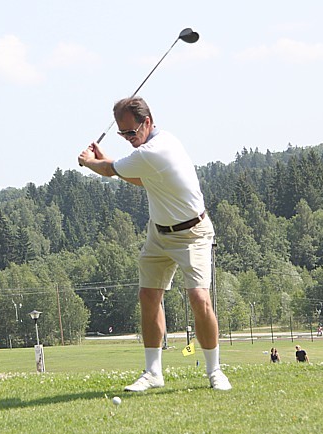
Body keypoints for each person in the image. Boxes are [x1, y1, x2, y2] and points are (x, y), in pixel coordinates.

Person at [78, 96, 231, 392]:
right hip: (158, 234)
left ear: (147, 122)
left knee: (200, 300)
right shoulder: (146, 151)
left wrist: (89, 162)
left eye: (132, 133)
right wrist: (102, 160)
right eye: (123, 135)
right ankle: (153, 373)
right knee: (148, 297)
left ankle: (215, 372)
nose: (129, 140)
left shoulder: (158, 148)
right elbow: (141, 178)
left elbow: (110, 170)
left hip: (193, 234)